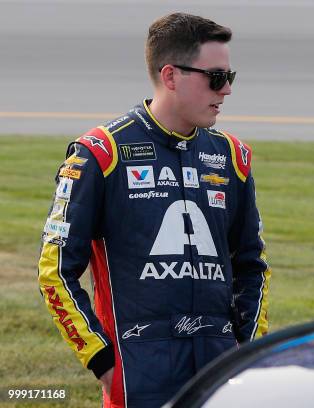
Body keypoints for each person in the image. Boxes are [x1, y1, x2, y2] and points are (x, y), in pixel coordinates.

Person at [37, 12, 271, 407]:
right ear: (171, 76)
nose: (227, 90)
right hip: (139, 375)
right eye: (216, 77)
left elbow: (252, 267)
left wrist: (245, 354)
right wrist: (103, 360)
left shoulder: (232, 157)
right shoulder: (100, 154)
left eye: (231, 76)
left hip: (220, 374)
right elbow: (55, 270)